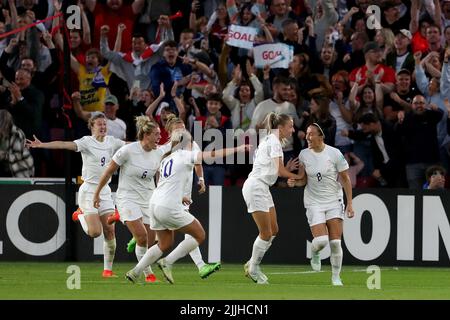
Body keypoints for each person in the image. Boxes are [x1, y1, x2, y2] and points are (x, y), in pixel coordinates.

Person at [124, 130, 249, 284]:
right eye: (190, 141)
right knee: (199, 235)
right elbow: (209, 156)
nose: (192, 145)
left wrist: (179, 196)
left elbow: (166, 183)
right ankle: (167, 262)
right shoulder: (184, 155)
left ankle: (135, 271)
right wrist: (237, 149)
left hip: (155, 204)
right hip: (168, 206)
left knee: (165, 243)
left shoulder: (166, 159)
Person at [26, 113, 124, 277]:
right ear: (92, 126)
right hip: (89, 191)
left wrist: (151, 145)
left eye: (104, 124)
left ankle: (107, 270)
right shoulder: (86, 142)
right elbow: (64, 144)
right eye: (99, 124)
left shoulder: (112, 142)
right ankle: (80, 215)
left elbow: (130, 145)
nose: (103, 127)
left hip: (105, 190)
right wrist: (42, 144)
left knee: (110, 231)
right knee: (95, 233)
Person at [93, 116, 167, 283]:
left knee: (148, 240)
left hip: (148, 199)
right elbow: (108, 172)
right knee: (141, 236)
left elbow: (159, 175)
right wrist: (96, 194)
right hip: (127, 197)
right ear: (146, 135)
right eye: (156, 134)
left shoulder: (159, 152)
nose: (159, 137)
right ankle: (148, 274)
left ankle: (120, 217)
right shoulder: (128, 150)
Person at [288, 123, 354, 286]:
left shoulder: (335, 153)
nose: (308, 137)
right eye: (307, 134)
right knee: (322, 241)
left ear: (321, 136)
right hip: (313, 201)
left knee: (335, 243)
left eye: (311, 134)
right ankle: (315, 252)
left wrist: (350, 204)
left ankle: (336, 277)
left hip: (334, 200)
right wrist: (294, 183)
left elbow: (345, 179)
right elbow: (302, 179)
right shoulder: (303, 154)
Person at [242, 112, 303, 284]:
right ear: (281, 127)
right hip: (256, 186)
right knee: (266, 232)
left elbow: (276, 169)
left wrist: (286, 168)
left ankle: (252, 263)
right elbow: (280, 172)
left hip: (262, 187)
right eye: (290, 126)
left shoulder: (270, 140)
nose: (292, 130)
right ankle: (253, 268)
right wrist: (300, 177)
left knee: (274, 230)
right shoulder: (274, 142)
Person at [0, 109, 34, 177]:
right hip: (6, 167)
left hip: (20, 169)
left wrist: (3, 155)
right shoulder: (2, 134)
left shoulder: (16, 134)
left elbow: (18, 156)